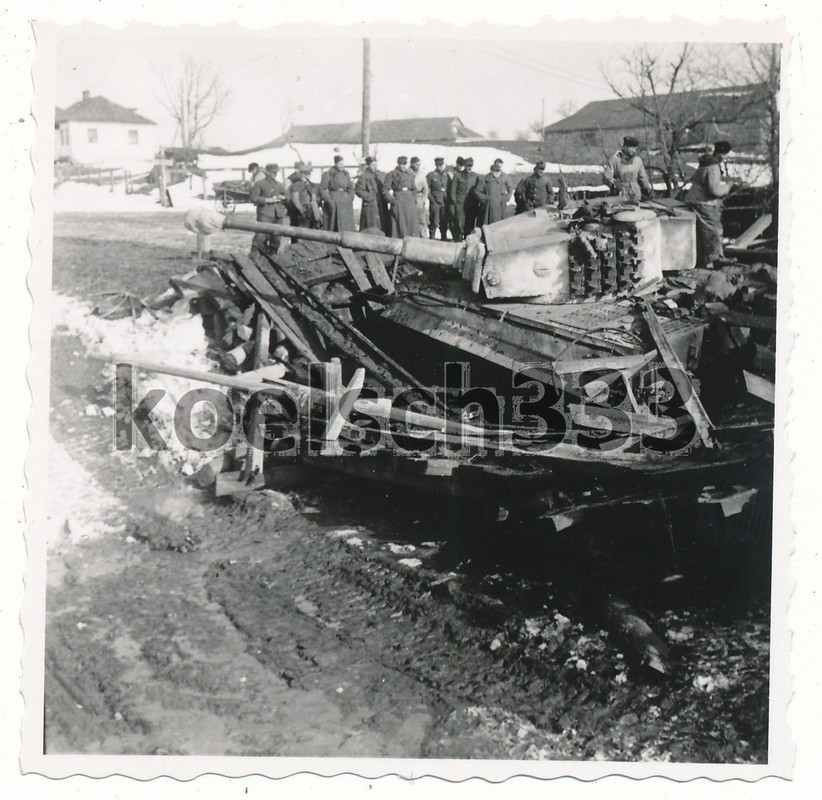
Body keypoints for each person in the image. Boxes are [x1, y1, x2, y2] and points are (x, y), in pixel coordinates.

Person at [686, 140, 735, 268]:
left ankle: (707, 261)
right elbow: (714, 190)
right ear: (721, 154)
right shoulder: (713, 167)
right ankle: (716, 259)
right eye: (725, 155)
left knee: (703, 231)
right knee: (714, 229)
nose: (725, 158)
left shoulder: (706, 164)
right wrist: (728, 187)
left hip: (696, 199)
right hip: (704, 202)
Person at [249, 163, 288, 255]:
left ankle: (272, 255)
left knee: (277, 237)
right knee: (261, 236)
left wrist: (284, 197)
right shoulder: (259, 184)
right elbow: (253, 198)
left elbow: (287, 196)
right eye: (272, 172)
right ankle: (256, 255)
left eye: (276, 172)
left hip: (278, 214)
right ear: (267, 173)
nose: (275, 174)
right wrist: (266, 200)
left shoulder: (279, 185)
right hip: (265, 213)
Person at [603, 136, 652, 203]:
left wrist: (647, 188)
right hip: (619, 194)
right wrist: (616, 185)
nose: (634, 150)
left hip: (635, 194)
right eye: (631, 148)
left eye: (635, 148)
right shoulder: (614, 159)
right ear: (625, 147)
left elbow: (643, 177)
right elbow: (607, 177)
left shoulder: (637, 160)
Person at [381, 156, 419, 238]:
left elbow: (414, 189)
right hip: (399, 200)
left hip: (409, 201)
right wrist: (392, 200)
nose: (404, 166)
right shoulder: (391, 175)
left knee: (411, 223)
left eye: (405, 164)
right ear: (398, 164)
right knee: (399, 224)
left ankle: (412, 242)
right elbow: (384, 190)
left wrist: (414, 199)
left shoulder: (410, 174)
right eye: (402, 164)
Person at [319, 155, 356, 232]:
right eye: (339, 164)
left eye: (342, 164)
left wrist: (350, 197)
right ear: (335, 164)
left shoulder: (346, 174)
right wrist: (329, 200)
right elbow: (322, 189)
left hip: (346, 203)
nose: (341, 166)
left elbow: (350, 187)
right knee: (334, 224)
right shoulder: (328, 174)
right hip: (334, 201)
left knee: (347, 225)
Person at [448, 156, 480, 240]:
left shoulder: (475, 176)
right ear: (464, 166)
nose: (469, 167)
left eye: (471, 166)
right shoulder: (458, 175)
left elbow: (478, 189)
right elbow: (453, 190)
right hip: (460, 203)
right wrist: (454, 201)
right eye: (468, 166)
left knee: (470, 222)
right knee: (459, 221)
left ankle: (466, 239)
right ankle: (458, 238)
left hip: (471, 203)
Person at [354, 156, 388, 233]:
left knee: (382, 223)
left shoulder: (379, 175)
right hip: (370, 204)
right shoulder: (363, 176)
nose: (374, 167)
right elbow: (358, 190)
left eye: (376, 165)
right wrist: (369, 197)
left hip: (381, 203)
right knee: (371, 224)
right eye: (372, 165)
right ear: (368, 165)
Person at [476, 159, 513, 225]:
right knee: (487, 223)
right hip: (488, 206)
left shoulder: (504, 177)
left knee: (500, 223)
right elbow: (477, 191)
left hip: (501, 204)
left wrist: (506, 198)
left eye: (498, 171)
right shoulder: (485, 178)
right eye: (495, 171)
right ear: (491, 170)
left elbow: (510, 188)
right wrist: (485, 198)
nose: (497, 173)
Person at [287, 162, 322, 230]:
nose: (308, 175)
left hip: (311, 212)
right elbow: (295, 200)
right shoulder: (296, 185)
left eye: (309, 174)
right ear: (302, 174)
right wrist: (302, 211)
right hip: (301, 213)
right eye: (307, 174)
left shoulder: (309, 184)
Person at [426, 157, 449, 240]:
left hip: (445, 201)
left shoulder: (447, 175)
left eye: (442, 164)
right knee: (434, 221)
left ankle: (444, 237)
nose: (441, 166)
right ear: (435, 165)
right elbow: (426, 189)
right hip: (435, 201)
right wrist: (432, 200)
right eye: (439, 165)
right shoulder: (431, 175)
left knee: (444, 220)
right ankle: (432, 237)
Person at [410, 156, 429, 238]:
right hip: (409, 197)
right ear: (411, 164)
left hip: (419, 197)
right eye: (416, 164)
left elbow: (425, 189)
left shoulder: (421, 174)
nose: (418, 166)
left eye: (419, 164)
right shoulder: (407, 172)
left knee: (421, 218)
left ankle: (423, 236)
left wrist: (423, 200)